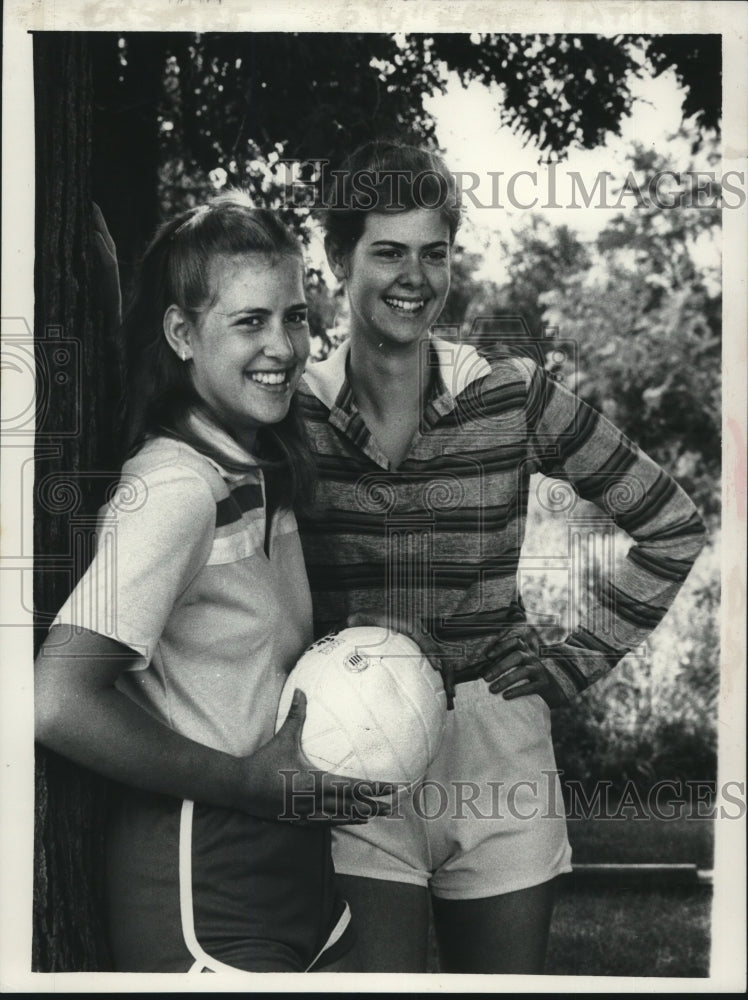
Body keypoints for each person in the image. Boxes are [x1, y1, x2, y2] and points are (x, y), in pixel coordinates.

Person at [296, 140, 707, 973]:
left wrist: (574, 662)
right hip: (349, 747)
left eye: (434, 253)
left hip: (494, 745)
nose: (414, 277)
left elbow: (671, 522)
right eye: (387, 251)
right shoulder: (293, 413)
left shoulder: (508, 393)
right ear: (338, 258)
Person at [34, 195, 387, 973]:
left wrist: (386, 654)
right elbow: (56, 703)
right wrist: (251, 786)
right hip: (204, 888)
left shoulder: (259, 470)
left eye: (295, 317)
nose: (284, 347)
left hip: (295, 883)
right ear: (181, 335)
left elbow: (243, 667)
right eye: (249, 321)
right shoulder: (174, 488)